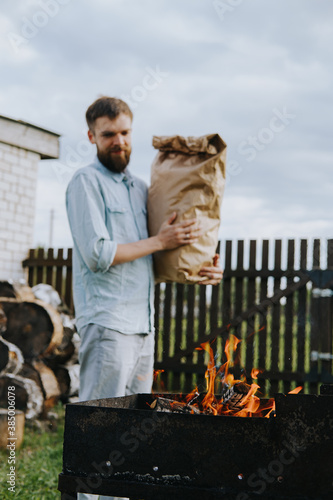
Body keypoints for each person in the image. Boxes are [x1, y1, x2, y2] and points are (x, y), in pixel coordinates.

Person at [66, 97, 223, 500]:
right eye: (108, 134)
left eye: (124, 132)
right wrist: (159, 240)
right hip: (107, 325)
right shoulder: (86, 182)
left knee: (130, 436)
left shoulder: (140, 189)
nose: (118, 141)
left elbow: (151, 259)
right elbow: (99, 254)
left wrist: (198, 269)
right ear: (91, 137)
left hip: (143, 326)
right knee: (99, 430)